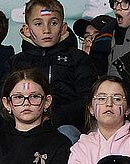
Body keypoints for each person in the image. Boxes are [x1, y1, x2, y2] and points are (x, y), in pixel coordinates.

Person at [7, 0, 99, 142]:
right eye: (38, 24)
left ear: (63, 28)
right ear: (26, 29)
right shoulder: (15, 62)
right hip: (22, 126)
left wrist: (52, 118)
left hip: (64, 126)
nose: (46, 30)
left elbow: (87, 98)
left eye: (54, 23)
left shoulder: (78, 59)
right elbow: (2, 100)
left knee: (67, 134)